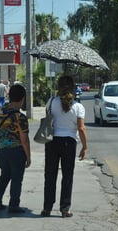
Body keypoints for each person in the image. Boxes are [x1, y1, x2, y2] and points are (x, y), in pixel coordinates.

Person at [41, 75, 87, 218]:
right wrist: (84, 147)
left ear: (59, 87)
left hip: (52, 141)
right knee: (67, 176)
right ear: (73, 88)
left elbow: (48, 120)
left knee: (50, 175)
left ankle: (47, 208)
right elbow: (81, 128)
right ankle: (65, 208)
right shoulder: (78, 107)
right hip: (69, 143)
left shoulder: (51, 102)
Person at [0, 84, 31, 213]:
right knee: (16, 178)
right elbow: (24, 140)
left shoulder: (2, 110)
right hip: (15, 150)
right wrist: (28, 157)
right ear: (22, 99)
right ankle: (14, 205)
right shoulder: (21, 118)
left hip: (0, 149)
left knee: (5, 175)